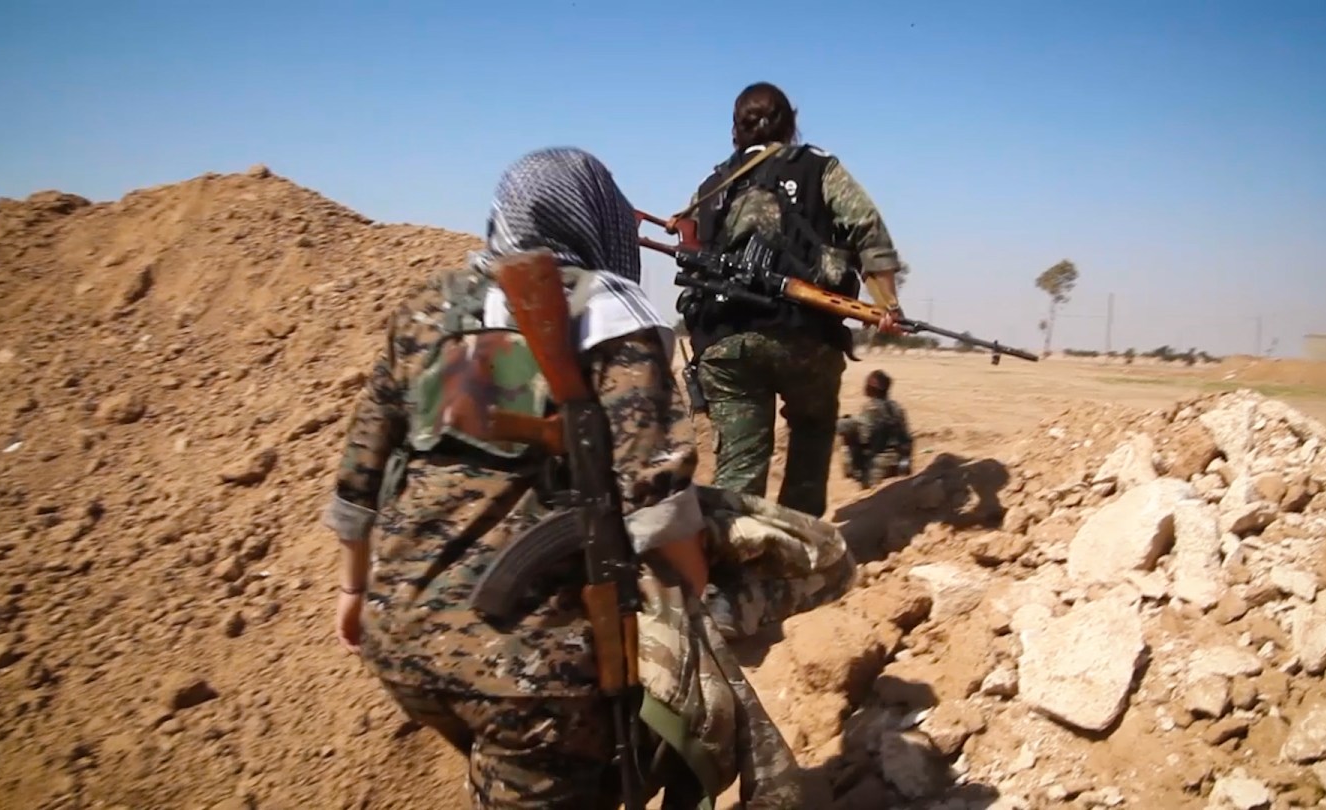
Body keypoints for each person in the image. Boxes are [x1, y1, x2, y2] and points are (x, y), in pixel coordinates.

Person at [323, 147, 712, 808]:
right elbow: (656, 499)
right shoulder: (609, 313)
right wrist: (699, 601)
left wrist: (353, 588)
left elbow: (361, 471)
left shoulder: (427, 309)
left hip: (401, 637)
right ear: (599, 221)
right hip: (532, 673)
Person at [677, 81, 909, 518]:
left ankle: (731, 567)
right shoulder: (819, 168)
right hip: (807, 336)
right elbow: (868, 231)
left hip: (725, 344)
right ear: (792, 124)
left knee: (739, 471)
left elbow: (691, 257)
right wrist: (887, 305)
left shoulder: (710, 186)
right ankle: (797, 554)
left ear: (735, 130)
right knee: (812, 434)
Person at [836, 369, 914, 488]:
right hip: (900, 462)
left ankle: (859, 476)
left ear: (872, 387)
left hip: (878, 467)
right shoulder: (897, 408)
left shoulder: (871, 408)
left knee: (848, 434)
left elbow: (864, 432)